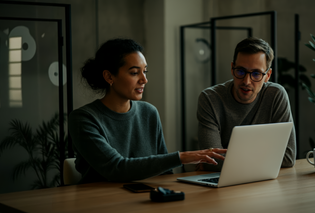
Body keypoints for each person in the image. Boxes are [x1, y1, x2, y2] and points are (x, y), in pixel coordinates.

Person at [69, 38, 227, 183]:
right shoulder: (83, 119)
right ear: (109, 77)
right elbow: (116, 168)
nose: (144, 80)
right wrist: (182, 157)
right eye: (134, 73)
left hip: (146, 198)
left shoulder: (149, 112)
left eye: (145, 71)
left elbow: (165, 172)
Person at [197, 37, 296, 171]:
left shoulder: (275, 95)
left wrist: (229, 159)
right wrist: (268, 156)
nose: (247, 81)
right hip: (223, 184)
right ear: (232, 68)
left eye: (256, 74)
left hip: (263, 181)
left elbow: (288, 158)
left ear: (268, 76)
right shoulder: (210, 99)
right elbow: (214, 161)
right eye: (241, 71)